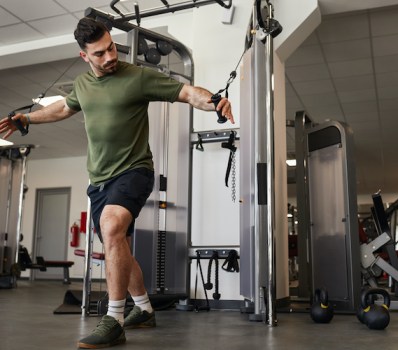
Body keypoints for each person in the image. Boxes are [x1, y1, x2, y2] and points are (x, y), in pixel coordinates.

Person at [0, 17, 234, 349]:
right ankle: (144, 309)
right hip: (99, 181)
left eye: (111, 47)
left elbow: (185, 92)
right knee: (118, 244)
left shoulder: (138, 77)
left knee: (111, 228)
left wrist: (214, 102)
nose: (110, 57)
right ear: (85, 56)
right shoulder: (81, 85)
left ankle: (114, 319)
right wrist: (27, 118)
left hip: (135, 171)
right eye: (99, 53)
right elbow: (61, 109)